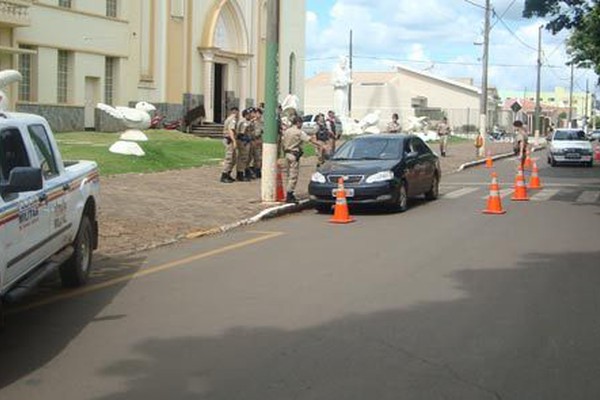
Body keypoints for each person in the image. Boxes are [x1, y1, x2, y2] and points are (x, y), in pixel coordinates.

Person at [281, 116, 321, 203]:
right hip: (294, 154)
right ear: (298, 123)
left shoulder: (287, 131)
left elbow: (283, 142)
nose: (302, 125)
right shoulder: (298, 132)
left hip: (287, 154)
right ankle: (289, 195)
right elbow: (309, 140)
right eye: (301, 123)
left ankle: (288, 192)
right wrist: (319, 145)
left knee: (288, 175)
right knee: (293, 176)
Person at [220, 107, 239, 183]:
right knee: (229, 158)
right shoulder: (232, 119)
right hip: (229, 140)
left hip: (229, 139)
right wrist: (234, 141)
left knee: (233, 158)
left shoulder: (230, 118)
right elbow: (231, 130)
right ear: (235, 112)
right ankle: (224, 175)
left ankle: (228, 174)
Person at [235, 108, 254, 182]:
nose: (251, 115)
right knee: (243, 157)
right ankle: (240, 174)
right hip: (243, 142)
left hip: (247, 141)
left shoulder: (247, 121)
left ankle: (245, 172)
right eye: (249, 114)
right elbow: (242, 133)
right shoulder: (244, 122)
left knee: (247, 158)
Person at [249, 107, 263, 179]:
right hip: (253, 140)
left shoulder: (262, 122)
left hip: (259, 140)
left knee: (258, 157)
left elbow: (262, 131)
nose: (258, 115)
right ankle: (251, 171)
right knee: (251, 157)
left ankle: (257, 171)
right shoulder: (252, 122)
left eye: (259, 113)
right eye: (256, 113)